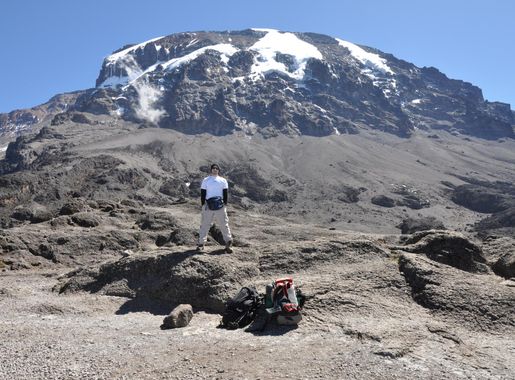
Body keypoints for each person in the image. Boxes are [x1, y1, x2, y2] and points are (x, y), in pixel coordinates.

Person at [197, 163, 233, 253]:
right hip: (208, 205)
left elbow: (225, 193)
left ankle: (228, 242)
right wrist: (203, 204)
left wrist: (225, 204)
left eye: (216, 168)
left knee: (224, 224)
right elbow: (203, 192)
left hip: (220, 205)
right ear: (211, 170)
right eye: (213, 168)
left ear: (218, 170)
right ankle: (201, 244)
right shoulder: (206, 180)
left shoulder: (223, 180)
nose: (215, 169)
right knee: (205, 224)